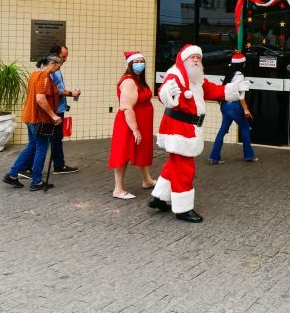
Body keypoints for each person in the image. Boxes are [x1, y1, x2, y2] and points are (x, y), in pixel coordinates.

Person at [147, 44, 249, 223]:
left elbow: (213, 90)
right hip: (179, 128)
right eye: (191, 57)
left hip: (186, 128)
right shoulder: (176, 75)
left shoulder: (197, 78)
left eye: (198, 57)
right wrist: (166, 94)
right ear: (183, 59)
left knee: (175, 164)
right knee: (185, 169)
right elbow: (164, 91)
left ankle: (159, 198)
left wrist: (235, 88)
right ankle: (183, 209)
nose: (195, 60)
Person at [2, 54, 64, 191]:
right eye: (59, 65)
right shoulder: (44, 76)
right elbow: (40, 99)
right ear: (52, 63)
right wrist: (53, 115)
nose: (59, 69)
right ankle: (36, 181)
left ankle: (12, 175)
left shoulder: (35, 74)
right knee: (41, 148)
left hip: (29, 117)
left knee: (32, 146)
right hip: (39, 119)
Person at [18, 44, 80, 179]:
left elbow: (53, 91)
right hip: (47, 113)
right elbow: (43, 97)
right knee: (44, 144)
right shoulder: (45, 74)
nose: (64, 62)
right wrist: (53, 114)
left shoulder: (40, 72)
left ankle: (17, 172)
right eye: (63, 58)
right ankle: (36, 176)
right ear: (53, 60)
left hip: (40, 114)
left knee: (36, 143)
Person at [108, 52, 156, 199]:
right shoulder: (129, 81)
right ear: (129, 64)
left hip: (141, 123)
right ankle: (118, 189)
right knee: (123, 153)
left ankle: (147, 180)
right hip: (129, 123)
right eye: (136, 61)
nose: (140, 64)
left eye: (142, 61)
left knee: (141, 149)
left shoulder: (139, 80)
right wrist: (135, 130)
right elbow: (127, 107)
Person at [208, 52, 258, 164]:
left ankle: (214, 156)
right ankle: (249, 156)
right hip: (233, 106)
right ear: (242, 64)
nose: (245, 65)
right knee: (245, 127)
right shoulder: (240, 75)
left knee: (222, 130)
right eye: (244, 63)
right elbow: (240, 94)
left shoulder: (229, 73)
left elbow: (224, 89)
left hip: (225, 105)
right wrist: (245, 109)